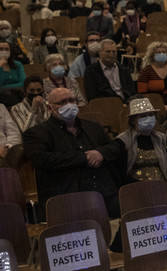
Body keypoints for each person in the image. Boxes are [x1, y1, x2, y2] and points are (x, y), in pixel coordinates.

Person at [23, 87, 123, 220]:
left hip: (105, 192)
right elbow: (42, 159)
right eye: (62, 102)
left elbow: (115, 146)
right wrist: (83, 157)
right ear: (49, 108)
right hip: (68, 196)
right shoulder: (37, 133)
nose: (68, 105)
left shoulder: (92, 126)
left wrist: (100, 153)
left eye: (71, 100)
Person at [115, 97, 167, 191]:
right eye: (142, 116)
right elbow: (120, 173)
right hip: (136, 189)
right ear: (133, 120)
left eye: (151, 114)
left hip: (163, 187)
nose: (148, 118)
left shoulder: (161, 138)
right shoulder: (123, 141)